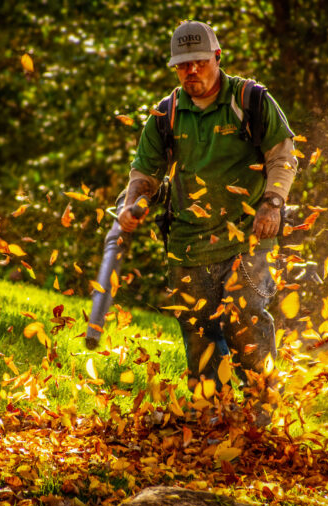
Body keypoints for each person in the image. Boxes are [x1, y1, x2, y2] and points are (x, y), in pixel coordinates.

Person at [118, 20, 297, 425]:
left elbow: (282, 157)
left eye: (200, 62)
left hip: (248, 235)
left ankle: (261, 417)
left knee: (245, 320)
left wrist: (272, 202)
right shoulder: (167, 113)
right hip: (188, 242)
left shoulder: (250, 99)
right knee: (200, 333)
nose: (192, 71)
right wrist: (132, 204)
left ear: (217, 58)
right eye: (183, 66)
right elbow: (144, 174)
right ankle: (211, 419)